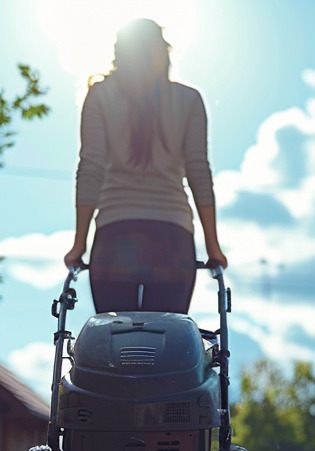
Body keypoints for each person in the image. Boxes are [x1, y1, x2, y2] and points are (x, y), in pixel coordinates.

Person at [63, 18, 226, 314]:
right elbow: (199, 173)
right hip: (173, 239)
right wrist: (212, 247)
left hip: (115, 235)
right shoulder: (189, 100)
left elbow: (91, 168)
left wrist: (79, 243)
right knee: (165, 349)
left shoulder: (100, 95)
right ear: (162, 53)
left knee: (116, 346)